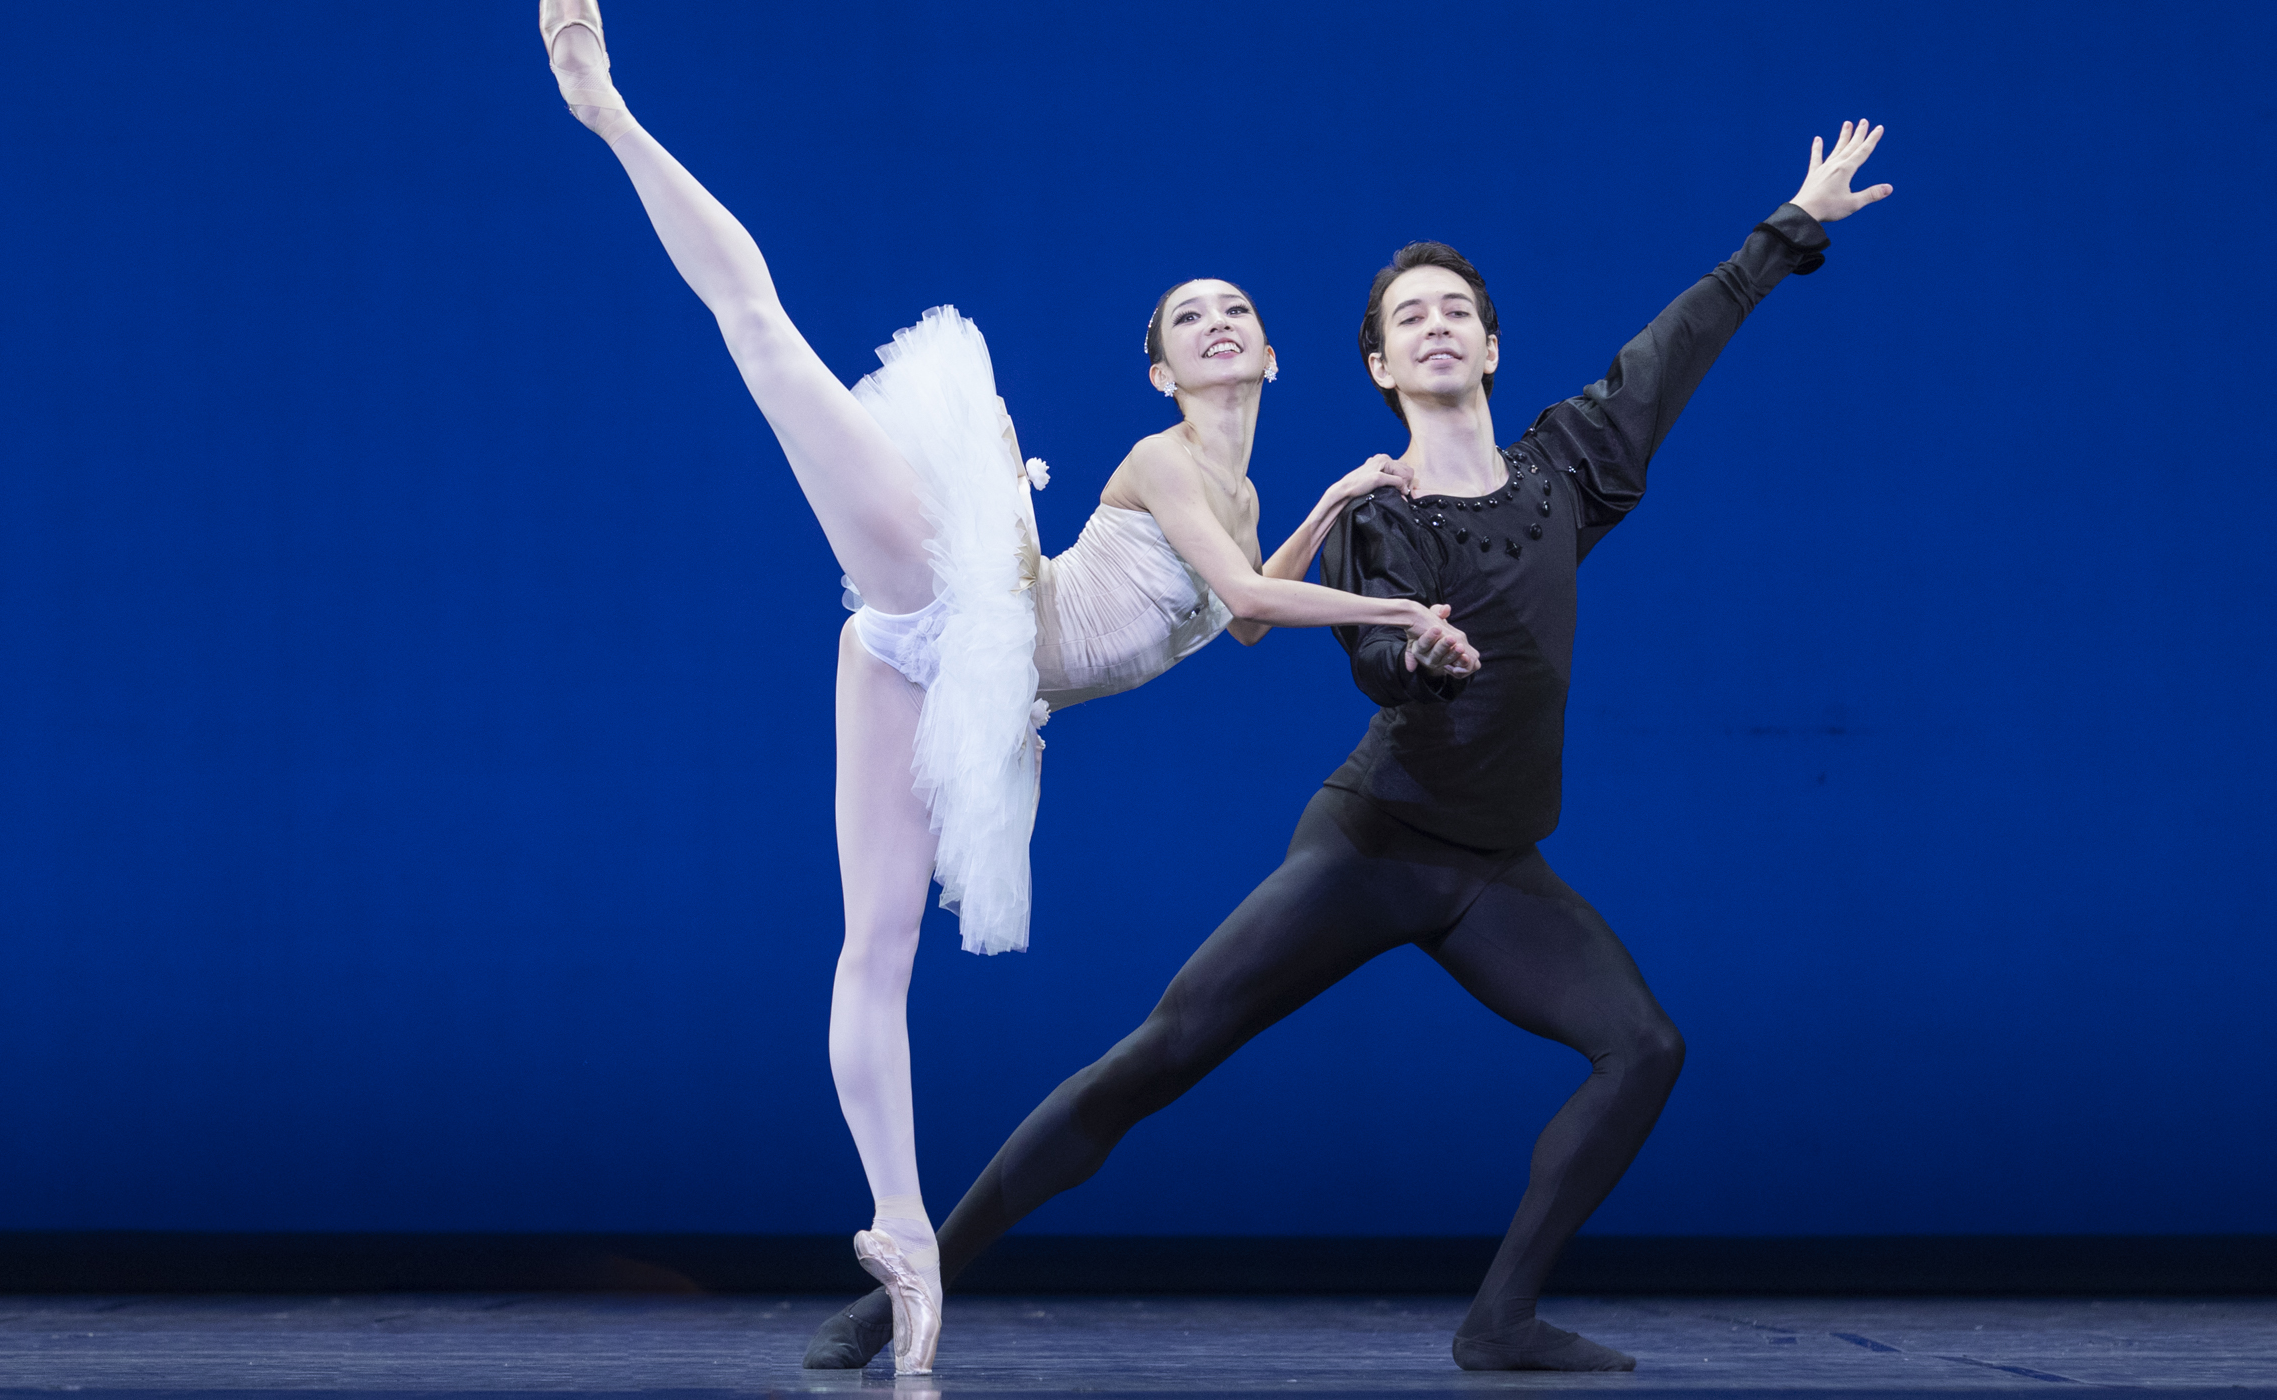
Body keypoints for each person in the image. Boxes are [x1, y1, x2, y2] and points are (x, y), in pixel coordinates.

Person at [804, 123, 1892, 1375]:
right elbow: (1364, 651)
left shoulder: (1567, 471)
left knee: (1645, 1047)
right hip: (1372, 841)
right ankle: (905, 1287)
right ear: (1378, 362)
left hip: (1495, 867)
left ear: (1491, 346)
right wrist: (1409, 655)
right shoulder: (1377, 508)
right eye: (1409, 318)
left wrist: (1790, 223)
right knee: (1155, 1058)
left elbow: (1675, 346)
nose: (1436, 327)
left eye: (1457, 312)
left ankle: (1499, 1319)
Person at [535, 0, 1478, 1375]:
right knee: (769, 343)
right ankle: (608, 112)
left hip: (958, 677)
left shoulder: (1245, 481)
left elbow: (1250, 619)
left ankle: (903, 1229)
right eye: (1187, 319)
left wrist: (1336, 500)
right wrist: (1398, 603)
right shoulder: (1167, 460)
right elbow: (1239, 594)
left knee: (879, 947)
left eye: (1237, 312)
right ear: (1159, 371)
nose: (1218, 323)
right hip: (967, 586)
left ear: (1274, 352)